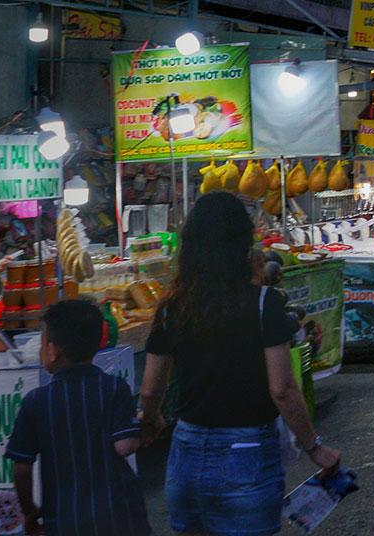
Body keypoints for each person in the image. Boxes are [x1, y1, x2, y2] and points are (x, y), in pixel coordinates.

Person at [141, 193, 341, 536]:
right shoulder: (264, 304)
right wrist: (314, 446)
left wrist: (152, 421)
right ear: (242, 245)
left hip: (186, 451)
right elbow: (282, 388)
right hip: (247, 454)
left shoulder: (172, 308)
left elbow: (149, 391)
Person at [7, 299, 149, 536]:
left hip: (65, 517)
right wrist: (142, 424)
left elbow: (21, 468)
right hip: (120, 516)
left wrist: (29, 512)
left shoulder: (36, 401)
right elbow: (125, 446)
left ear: (52, 352)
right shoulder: (114, 387)